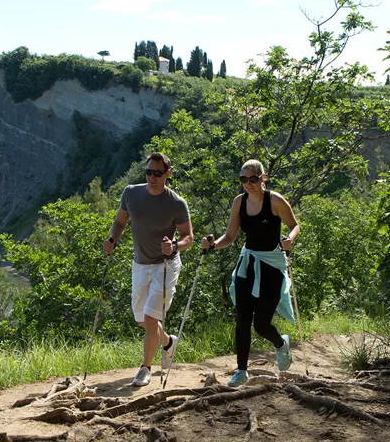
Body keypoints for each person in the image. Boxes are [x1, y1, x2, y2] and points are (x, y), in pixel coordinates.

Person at [202, 159, 299, 387]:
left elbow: (294, 225)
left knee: (261, 324)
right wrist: (213, 245)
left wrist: (289, 240)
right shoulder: (239, 202)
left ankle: (281, 344)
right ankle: (241, 371)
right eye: (243, 179)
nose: (248, 183)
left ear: (263, 178)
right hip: (247, 265)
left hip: (272, 265)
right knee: (242, 319)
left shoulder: (275, 200)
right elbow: (230, 236)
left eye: (253, 179)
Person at [104, 152, 193, 387]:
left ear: (167, 174)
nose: (152, 177)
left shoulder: (176, 203)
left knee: (151, 317)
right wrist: (112, 239)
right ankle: (168, 343)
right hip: (140, 265)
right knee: (142, 319)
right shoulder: (131, 193)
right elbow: (120, 222)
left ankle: (145, 368)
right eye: (148, 172)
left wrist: (174, 246)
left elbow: (188, 237)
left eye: (158, 173)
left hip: (166, 265)